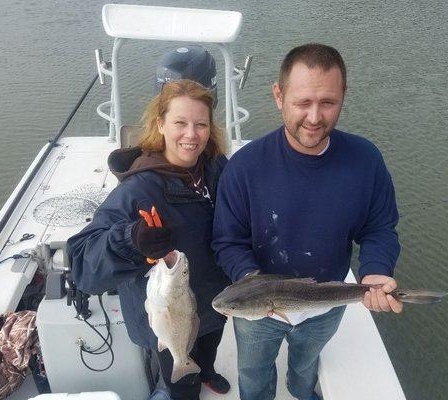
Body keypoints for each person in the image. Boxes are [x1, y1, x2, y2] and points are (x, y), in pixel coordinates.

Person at [212, 43, 403, 400]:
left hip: (326, 299)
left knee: (306, 362)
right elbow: (228, 241)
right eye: (302, 103)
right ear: (278, 95)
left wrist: (376, 269)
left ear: (343, 95)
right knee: (253, 372)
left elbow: (379, 227)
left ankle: (302, 391)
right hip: (258, 309)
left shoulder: (366, 160)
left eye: (327, 103)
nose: (314, 117)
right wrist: (253, 283)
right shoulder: (245, 167)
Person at [67, 80, 231, 400]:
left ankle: (207, 370)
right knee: (181, 377)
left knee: (209, 342)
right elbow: (83, 265)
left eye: (201, 124)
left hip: (212, 300)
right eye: (180, 123)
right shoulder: (137, 190)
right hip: (166, 313)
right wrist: (131, 240)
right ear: (160, 124)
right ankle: (184, 385)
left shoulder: (215, 166)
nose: (192, 134)